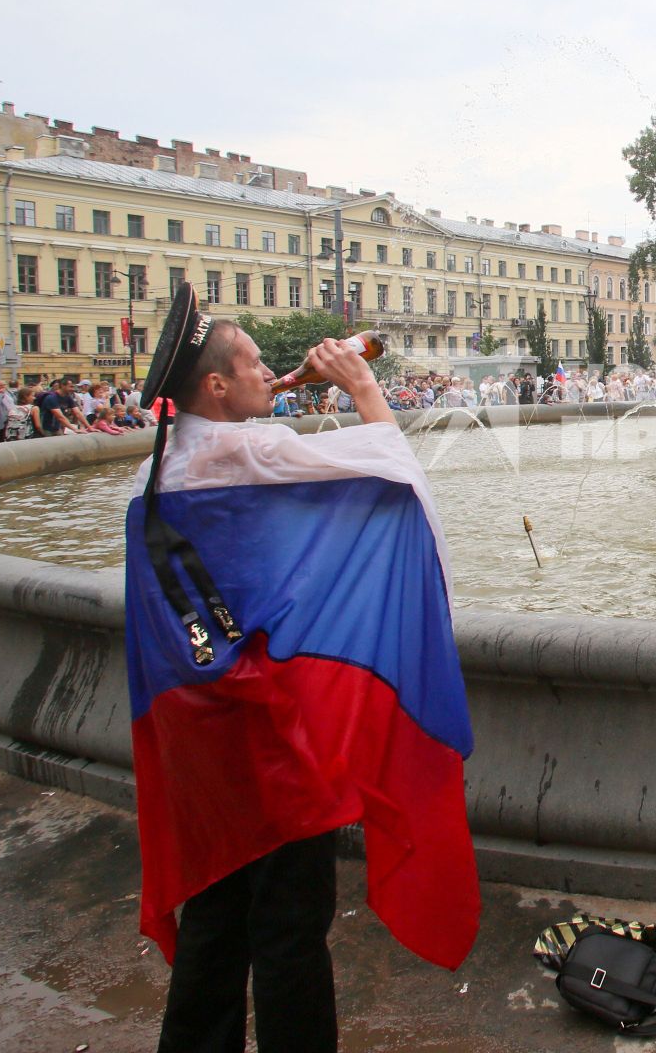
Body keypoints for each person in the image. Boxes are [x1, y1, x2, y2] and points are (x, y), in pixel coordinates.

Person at [128, 284, 479, 1051]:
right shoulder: (253, 450)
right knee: (289, 924)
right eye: (255, 360)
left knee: (216, 909)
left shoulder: (168, 465)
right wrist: (362, 387)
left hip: (199, 735)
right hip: (271, 737)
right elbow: (395, 484)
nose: (272, 370)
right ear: (217, 386)